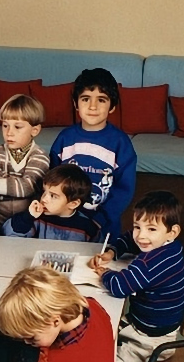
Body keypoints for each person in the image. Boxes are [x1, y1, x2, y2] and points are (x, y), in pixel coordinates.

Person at [89, 191, 184, 362]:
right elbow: (129, 241)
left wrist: (104, 273)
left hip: (151, 339)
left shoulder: (153, 262)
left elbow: (120, 286)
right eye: (137, 226)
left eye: (151, 229)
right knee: (105, 336)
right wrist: (112, 252)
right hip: (156, 328)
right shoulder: (169, 247)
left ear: (172, 232)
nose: (141, 235)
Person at [50, 68, 136, 239]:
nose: (93, 106)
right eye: (85, 98)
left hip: (102, 226)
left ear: (112, 106)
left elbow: (124, 189)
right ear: (76, 104)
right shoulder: (65, 139)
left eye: (101, 100)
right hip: (64, 220)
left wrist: (102, 218)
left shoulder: (120, 144)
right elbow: (51, 177)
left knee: (97, 263)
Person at [0, 94, 49, 234]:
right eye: (5, 126)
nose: (9, 133)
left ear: (34, 130)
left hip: (27, 219)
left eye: (17, 127)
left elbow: (27, 186)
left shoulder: (40, 156)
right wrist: (6, 184)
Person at [3, 164, 100, 242]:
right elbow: (10, 235)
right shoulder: (37, 218)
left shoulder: (88, 227)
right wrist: (28, 216)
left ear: (73, 204)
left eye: (53, 196)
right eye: (44, 192)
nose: (44, 199)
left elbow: (97, 253)